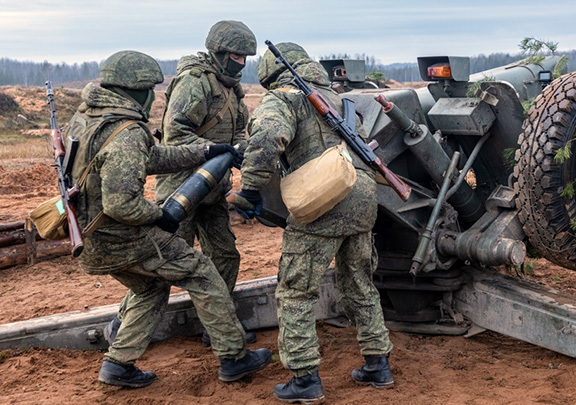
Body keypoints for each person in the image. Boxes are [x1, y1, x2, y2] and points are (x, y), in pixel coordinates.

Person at [66, 50, 271, 388]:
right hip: (121, 238)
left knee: (150, 289)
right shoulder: (126, 132)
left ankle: (118, 365)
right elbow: (123, 205)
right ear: (138, 91)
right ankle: (234, 358)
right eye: (151, 89)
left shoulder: (89, 120)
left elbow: (153, 156)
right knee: (202, 273)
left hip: (92, 238)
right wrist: (160, 215)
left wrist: (207, 151)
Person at [229, 42, 394, 404]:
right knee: (360, 282)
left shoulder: (283, 99)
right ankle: (378, 363)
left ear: (270, 75)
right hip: (363, 196)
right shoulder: (339, 101)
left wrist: (252, 190)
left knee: (296, 291)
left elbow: (267, 138)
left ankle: (305, 378)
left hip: (323, 197)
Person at [107, 20, 258, 346]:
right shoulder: (195, 83)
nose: (241, 63)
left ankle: (219, 328)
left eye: (246, 57)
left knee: (226, 255)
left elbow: (238, 135)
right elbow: (176, 137)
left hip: (214, 189)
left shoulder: (231, 87)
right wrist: (214, 154)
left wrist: (240, 152)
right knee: (166, 263)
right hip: (182, 187)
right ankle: (120, 327)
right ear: (218, 52)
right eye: (236, 55)